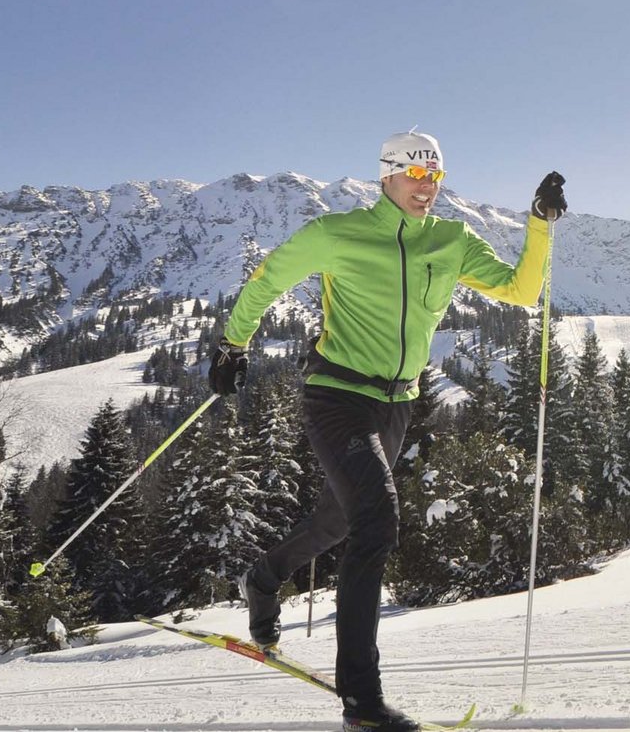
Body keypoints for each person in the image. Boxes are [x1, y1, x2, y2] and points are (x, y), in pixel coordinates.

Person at [209, 130, 566, 732]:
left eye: (436, 178)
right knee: (377, 520)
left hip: (397, 402)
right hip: (337, 395)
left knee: (340, 522)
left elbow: (521, 290)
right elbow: (269, 278)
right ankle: (361, 702)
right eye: (417, 175)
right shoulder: (337, 233)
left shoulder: (452, 241)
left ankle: (263, 577)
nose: (428, 188)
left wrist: (538, 224)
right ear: (387, 176)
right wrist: (232, 343)